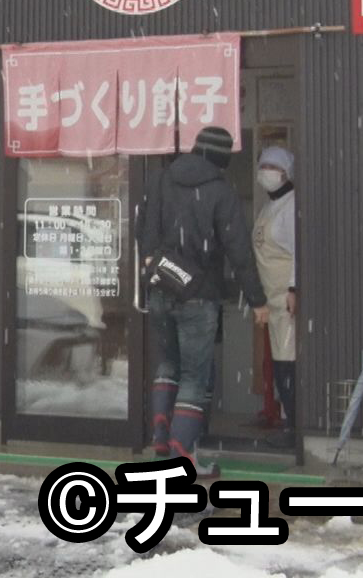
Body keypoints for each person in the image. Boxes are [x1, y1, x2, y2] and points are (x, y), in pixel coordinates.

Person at [137, 125, 269, 472]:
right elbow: (239, 251)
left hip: (162, 288)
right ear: (222, 158)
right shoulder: (221, 192)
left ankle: (161, 438)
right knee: (195, 377)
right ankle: (182, 458)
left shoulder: (160, 180)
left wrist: (154, 264)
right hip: (199, 295)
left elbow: (143, 231)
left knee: (168, 365)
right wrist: (257, 300)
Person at [251, 145, 299, 445]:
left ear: (286, 172)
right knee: (280, 363)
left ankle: (295, 426)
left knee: (288, 363)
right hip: (272, 299)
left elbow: (298, 252)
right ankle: (288, 421)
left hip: (286, 299)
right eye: (263, 166)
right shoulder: (270, 207)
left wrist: (294, 288)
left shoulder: (292, 206)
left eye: (273, 167)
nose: (266, 172)